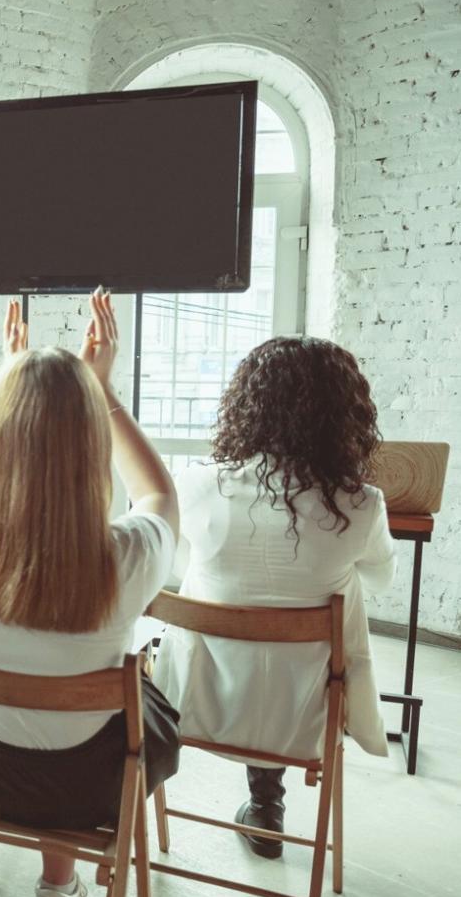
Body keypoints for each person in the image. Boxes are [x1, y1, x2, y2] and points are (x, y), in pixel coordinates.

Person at [0, 293, 182, 897]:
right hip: (92, 784)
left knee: (43, 703)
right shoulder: (129, 556)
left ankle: (56, 894)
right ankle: (59, 895)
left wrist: (12, 385)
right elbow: (162, 498)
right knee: (138, 701)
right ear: (94, 445)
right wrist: (103, 392)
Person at [153, 336, 395, 859]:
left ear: (248, 407)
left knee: (216, 591)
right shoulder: (361, 505)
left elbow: (172, 568)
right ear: (342, 414)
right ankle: (268, 803)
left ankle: (265, 804)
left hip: (196, 701)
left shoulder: (196, 487)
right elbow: (381, 580)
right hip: (305, 713)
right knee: (340, 591)